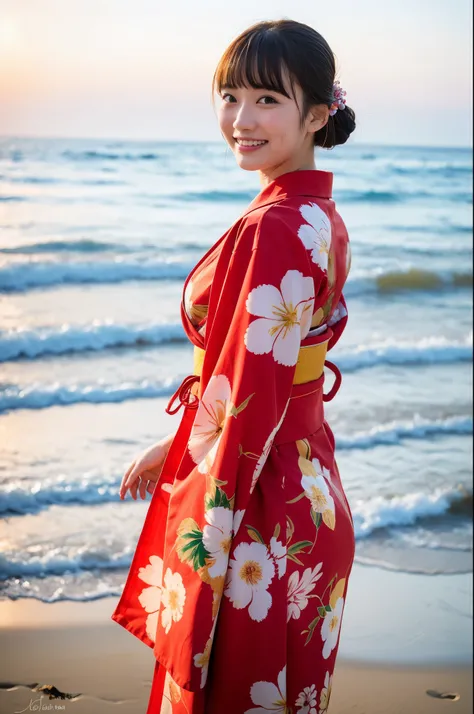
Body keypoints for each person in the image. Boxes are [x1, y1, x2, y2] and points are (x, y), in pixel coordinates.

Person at [112, 18, 356, 714]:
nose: (240, 120)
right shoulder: (316, 213)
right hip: (307, 492)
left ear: (317, 112)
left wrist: (196, 527)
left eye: (268, 100)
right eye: (230, 95)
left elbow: (249, 395)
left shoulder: (275, 225)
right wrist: (186, 431)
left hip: (262, 516)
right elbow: (263, 378)